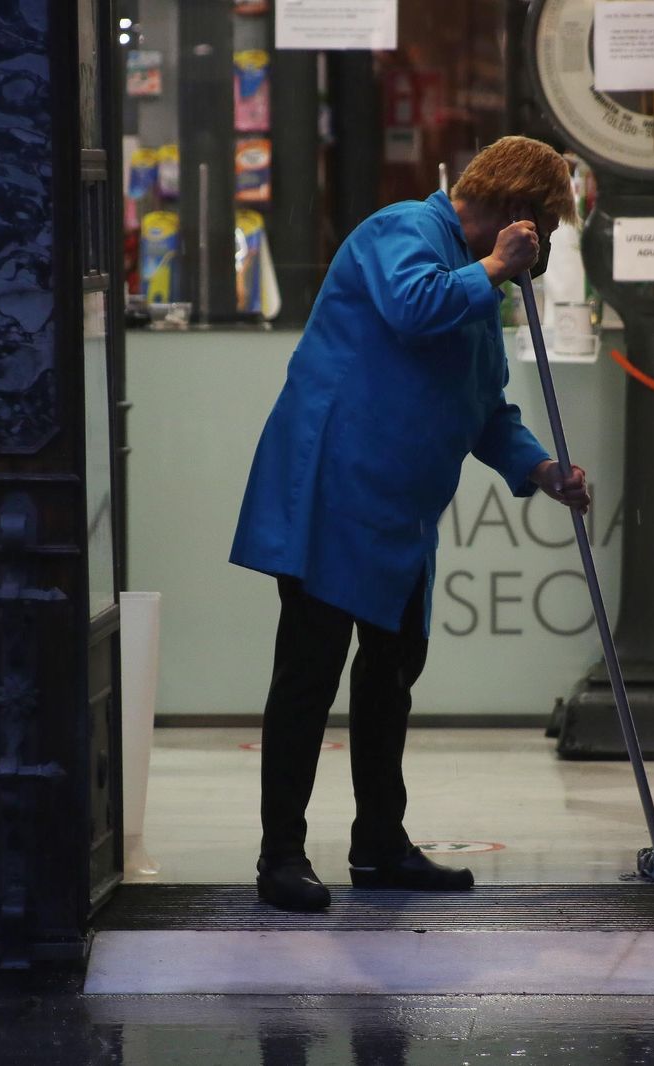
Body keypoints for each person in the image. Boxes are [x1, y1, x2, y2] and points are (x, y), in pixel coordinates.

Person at [229, 136, 592, 912]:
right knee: (309, 672)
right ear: (516, 210)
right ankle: (280, 854)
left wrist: (542, 471)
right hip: (336, 492)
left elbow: (484, 408)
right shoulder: (404, 230)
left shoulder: (479, 285)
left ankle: (379, 845)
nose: (540, 252)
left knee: (391, 674)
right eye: (544, 228)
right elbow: (412, 306)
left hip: (398, 511)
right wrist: (495, 268)